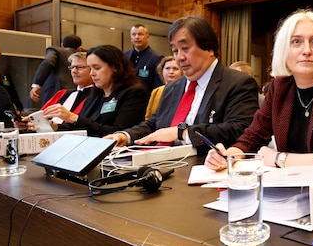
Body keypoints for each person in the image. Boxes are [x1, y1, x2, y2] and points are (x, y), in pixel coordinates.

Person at [205, 9, 313, 171]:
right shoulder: (279, 88)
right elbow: (253, 136)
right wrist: (229, 155)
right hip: (293, 185)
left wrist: (279, 158)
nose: (307, 50)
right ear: (284, 50)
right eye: (296, 42)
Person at [107, 16, 259, 153]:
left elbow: (241, 131)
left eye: (185, 49)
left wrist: (182, 132)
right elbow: (154, 125)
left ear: (209, 48)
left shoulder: (238, 83)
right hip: (159, 162)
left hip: (203, 167)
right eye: (174, 51)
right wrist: (125, 136)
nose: (179, 57)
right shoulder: (172, 87)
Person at [43, 45, 148, 137]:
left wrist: (72, 117)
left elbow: (119, 133)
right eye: (90, 68)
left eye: (97, 68)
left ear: (115, 67)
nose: (92, 73)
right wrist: (54, 127)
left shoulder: (134, 93)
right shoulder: (96, 94)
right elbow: (81, 126)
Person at [37, 52, 94, 125]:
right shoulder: (62, 94)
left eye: (80, 67)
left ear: (93, 70)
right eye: (72, 67)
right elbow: (40, 117)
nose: (74, 71)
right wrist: (28, 122)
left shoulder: (99, 96)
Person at [30, 34, 82, 105]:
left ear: (62, 45)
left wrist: (36, 85)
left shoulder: (55, 51)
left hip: (55, 94)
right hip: (75, 95)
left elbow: (48, 62)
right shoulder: (82, 58)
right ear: (79, 48)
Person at [125, 24, 164, 92]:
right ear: (131, 38)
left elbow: (158, 86)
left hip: (145, 99)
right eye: (134, 34)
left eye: (140, 34)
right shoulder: (124, 56)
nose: (137, 37)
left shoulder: (157, 58)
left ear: (148, 37)